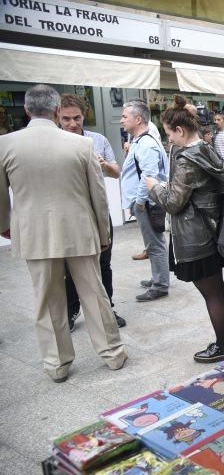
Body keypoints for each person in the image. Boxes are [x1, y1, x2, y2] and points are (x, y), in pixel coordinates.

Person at [0, 84, 128, 382]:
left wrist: (6, 224)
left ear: (28, 110)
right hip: (80, 231)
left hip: (33, 232)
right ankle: (112, 353)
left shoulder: (5, 144)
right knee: (94, 294)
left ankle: (57, 364)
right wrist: (103, 231)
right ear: (58, 111)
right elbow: (98, 196)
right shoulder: (82, 145)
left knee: (47, 299)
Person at [144, 96, 224, 363]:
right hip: (214, 230)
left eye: (169, 134)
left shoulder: (186, 160)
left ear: (180, 130)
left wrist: (154, 187)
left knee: (211, 292)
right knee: (220, 287)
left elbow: (172, 202)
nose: (169, 140)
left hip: (195, 235)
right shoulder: (207, 149)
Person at [57, 93, 126, 330]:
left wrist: (104, 165)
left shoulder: (97, 139)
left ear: (84, 115)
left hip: (98, 210)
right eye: (66, 119)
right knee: (69, 266)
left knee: (103, 263)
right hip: (67, 213)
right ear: (57, 116)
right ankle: (71, 309)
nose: (72, 124)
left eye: (77, 118)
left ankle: (107, 309)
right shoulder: (53, 142)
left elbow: (116, 171)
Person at [120, 99, 170, 301]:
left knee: (154, 244)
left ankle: (160, 285)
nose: (121, 120)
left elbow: (148, 175)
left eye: (125, 117)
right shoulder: (140, 141)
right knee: (154, 242)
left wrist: (139, 202)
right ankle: (159, 277)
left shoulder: (147, 144)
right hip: (145, 201)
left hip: (147, 202)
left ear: (138, 119)